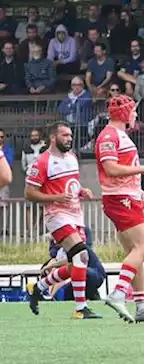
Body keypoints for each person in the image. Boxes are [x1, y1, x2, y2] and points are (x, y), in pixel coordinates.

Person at [96, 95, 144, 324]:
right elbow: (111, 169)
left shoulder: (118, 136)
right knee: (143, 247)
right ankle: (118, 293)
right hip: (121, 199)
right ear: (125, 113)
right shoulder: (109, 135)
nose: (136, 115)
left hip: (125, 197)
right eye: (133, 111)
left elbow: (120, 176)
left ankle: (142, 307)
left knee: (135, 254)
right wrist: (142, 169)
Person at [23, 123, 101, 320]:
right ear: (53, 137)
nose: (69, 138)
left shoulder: (72, 157)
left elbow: (70, 183)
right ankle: (80, 308)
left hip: (75, 214)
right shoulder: (42, 162)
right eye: (65, 135)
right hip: (56, 216)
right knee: (81, 254)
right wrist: (54, 198)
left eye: (71, 135)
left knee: (77, 262)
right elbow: (29, 193)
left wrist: (81, 190)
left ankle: (38, 287)